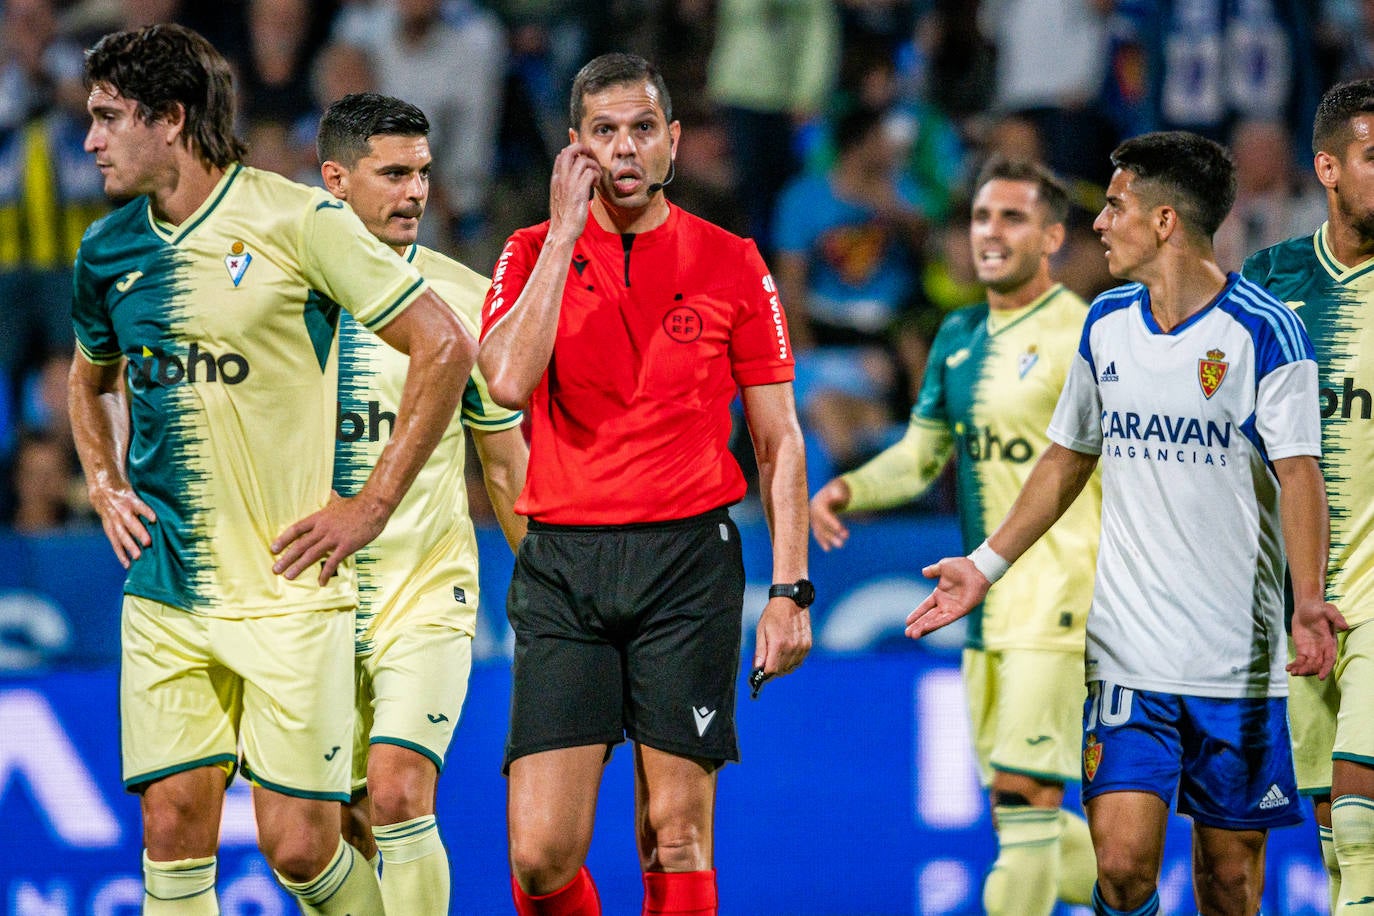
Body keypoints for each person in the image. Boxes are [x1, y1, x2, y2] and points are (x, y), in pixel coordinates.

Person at [67, 24, 475, 916]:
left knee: (298, 850)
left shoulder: (298, 222)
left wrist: (370, 505)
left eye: (106, 118)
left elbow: (443, 344)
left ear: (168, 118)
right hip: (168, 588)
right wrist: (103, 481)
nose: (90, 140)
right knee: (171, 830)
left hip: (290, 591)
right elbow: (87, 381)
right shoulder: (107, 254)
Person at [906, 130, 1342, 916]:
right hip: (1128, 657)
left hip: (1236, 665)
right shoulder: (1105, 322)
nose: (1098, 225)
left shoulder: (1264, 331)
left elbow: (1300, 475)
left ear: (1166, 221)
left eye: (1113, 207)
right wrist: (986, 564)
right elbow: (1066, 458)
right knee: (1122, 866)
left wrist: (1307, 599)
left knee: (1230, 880)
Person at [477, 52, 812, 916]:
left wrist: (790, 589)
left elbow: (778, 440)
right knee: (542, 856)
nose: (623, 149)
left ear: (672, 140)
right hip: (564, 567)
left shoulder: (733, 261)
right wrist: (560, 235)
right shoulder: (525, 253)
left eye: (639, 130)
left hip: (687, 564)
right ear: (574, 150)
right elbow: (507, 382)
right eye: (602, 133)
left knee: (676, 832)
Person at [810, 156, 1099, 915]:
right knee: (1025, 819)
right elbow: (921, 452)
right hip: (985, 614)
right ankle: (1130, 884)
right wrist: (853, 485)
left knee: (1024, 800)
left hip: (1062, 602)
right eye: (980, 217)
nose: (989, 232)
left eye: (1011, 217)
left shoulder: (1090, 335)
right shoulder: (960, 333)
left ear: (1053, 236)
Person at [315, 91, 529, 914]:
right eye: (392, 174)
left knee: (400, 791)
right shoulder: (276, 292)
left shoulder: (467, 300)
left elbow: (506, 468)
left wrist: (551, 596)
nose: (414, 193)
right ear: (335, 179)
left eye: (423, 174)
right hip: (304, 599)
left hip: (423, 589)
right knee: (317, 838)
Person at [1241, 77, 1374, 913]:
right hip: (1302, 603)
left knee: (1363, 827)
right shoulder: (1269, 282)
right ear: (1327, 167)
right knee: (1335, 843)